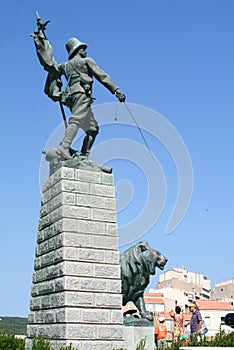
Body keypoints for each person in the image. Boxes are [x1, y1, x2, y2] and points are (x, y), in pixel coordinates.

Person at [32, 15, 126, 160]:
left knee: (93, 129)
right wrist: (116, 90)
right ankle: (64, 147)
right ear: (77, 49)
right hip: (82, 94)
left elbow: (51, 65)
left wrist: (42, 41)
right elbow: (103, 77)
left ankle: (83, 156)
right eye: (83, 48)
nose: (85, 51)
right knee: (76, 119)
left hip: (73, 97)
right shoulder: (86, 61)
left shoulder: (64, 66)